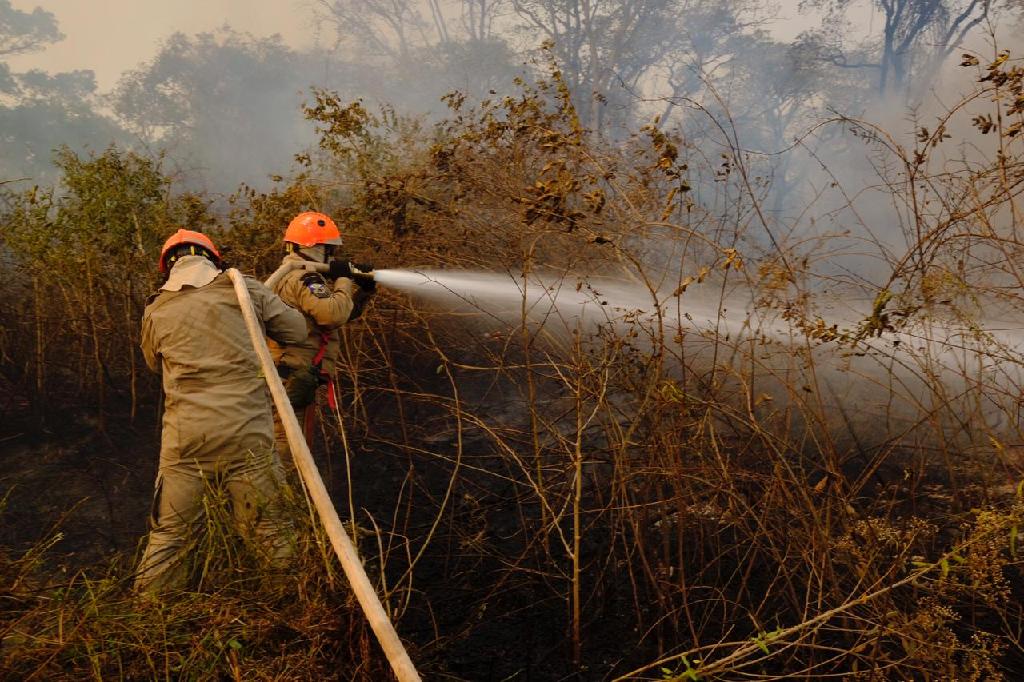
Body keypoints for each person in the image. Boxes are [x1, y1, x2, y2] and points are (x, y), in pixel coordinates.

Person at [135, 228, 307, 593]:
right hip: (247, 437)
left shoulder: (157, 308)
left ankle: (153, 621)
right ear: (214, 258)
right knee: (270, 528)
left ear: (168, 267)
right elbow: (297, 331)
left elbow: (153, 363)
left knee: (171, 536)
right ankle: (291, 605)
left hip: (186, 442)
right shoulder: (244, 289)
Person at [267, 211, 376, 462]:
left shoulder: (290, 275)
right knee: (288, 446)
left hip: (291, 375)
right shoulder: (305, 278)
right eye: (329, 249)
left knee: (288, 440)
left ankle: (286, 494)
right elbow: (332, 315)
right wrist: (343, 278)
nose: (333, 256)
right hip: (292, 375)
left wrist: (364, 292)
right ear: (315, 248)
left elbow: (334, 315)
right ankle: (282, 496)